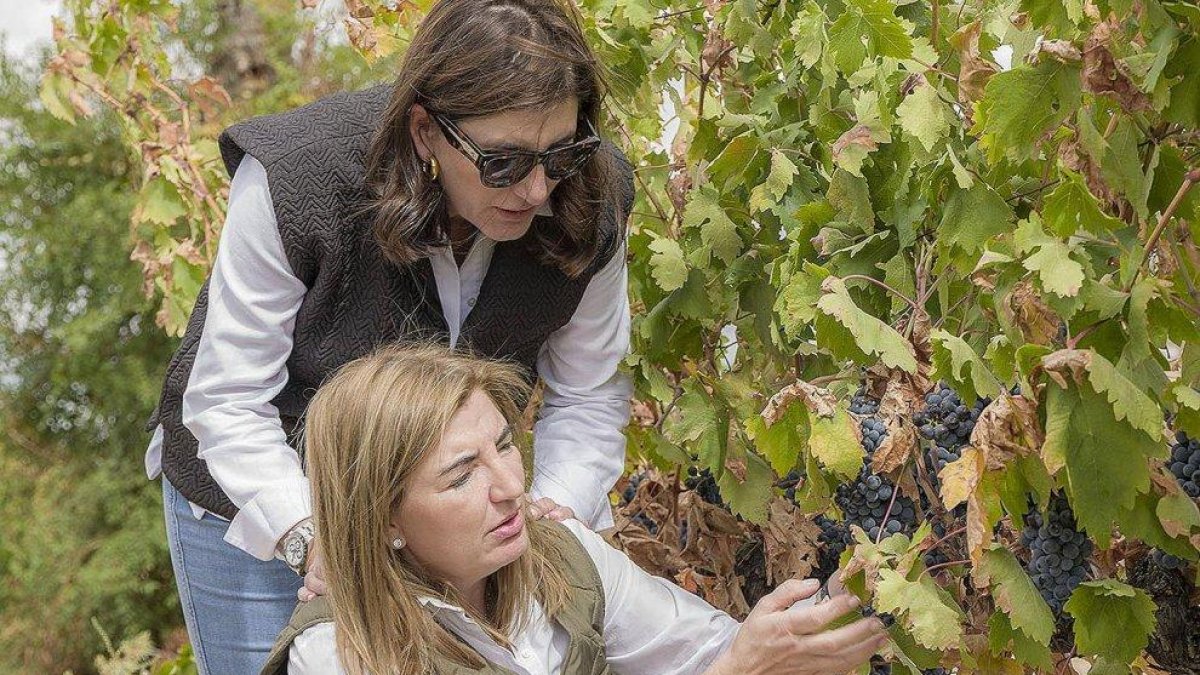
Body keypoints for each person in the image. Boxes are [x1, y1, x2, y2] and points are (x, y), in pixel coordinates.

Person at [144, 1, 635, 671]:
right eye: (503, 164)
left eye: (564, 153)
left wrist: (556, 509)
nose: (539, 189)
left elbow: (590, 391)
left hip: (439, 508)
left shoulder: (592, 194)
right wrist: (314, 542)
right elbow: (226, 402)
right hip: (256, 489)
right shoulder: (299, 178)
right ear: (426, 130)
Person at [261, 344, 889, 675]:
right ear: (383, 519)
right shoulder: (339, 655)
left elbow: (700, 655)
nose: (509, 484)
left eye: (505, 444)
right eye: (461, 476)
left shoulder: (560, 551)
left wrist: (844, 601)